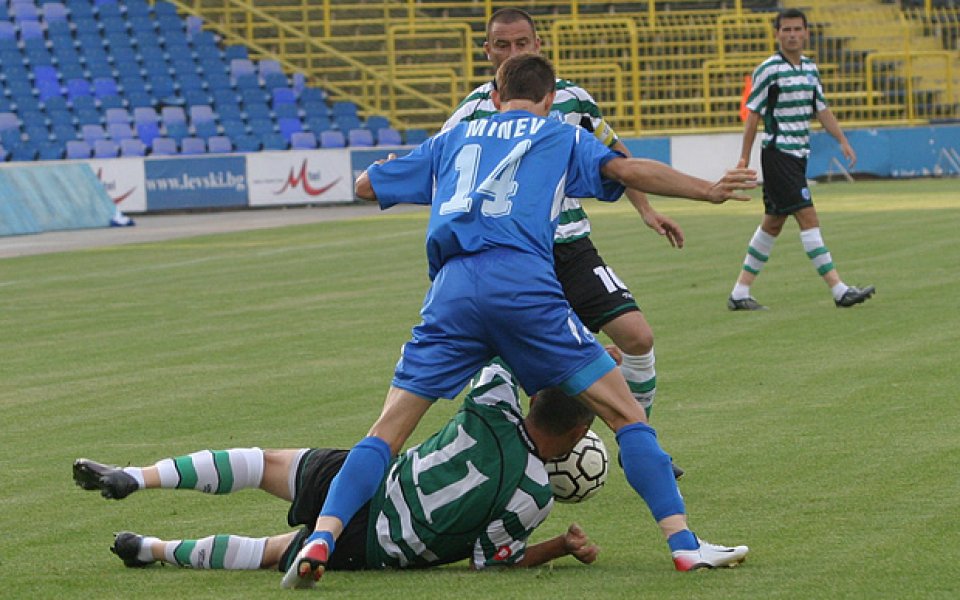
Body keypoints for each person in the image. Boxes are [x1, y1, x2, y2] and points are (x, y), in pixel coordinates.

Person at [287, 53, 755, 587]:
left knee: (386, 432)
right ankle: (685, 546)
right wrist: (708, 190)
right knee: (628, 417)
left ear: (493, 95)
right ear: (550, 98)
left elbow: (369, 186)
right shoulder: (557, 135)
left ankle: (323, 535)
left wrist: (391, 170)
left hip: (452, 292)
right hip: (523, 286)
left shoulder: (455, 137)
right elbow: (626, 170)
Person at [72, 361, 601, 581]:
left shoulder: (493, 403)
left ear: (535, 398)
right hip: (378, 546)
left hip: (367, 477)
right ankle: (149, 550)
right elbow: (492, 562)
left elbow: (506, 350)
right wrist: (559, 546)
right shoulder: (535, 495)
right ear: (578, 437)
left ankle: (136, 476)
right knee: (274, 551)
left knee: (262, 464)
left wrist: (569, 358)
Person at [444, 7, 685, 423]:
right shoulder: (471, 112)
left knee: (638, 337)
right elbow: (444, 171)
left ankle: (642, 442)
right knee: (516, 369)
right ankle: (530, 460)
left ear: (538, 46)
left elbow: (616, 156)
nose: (512, 51)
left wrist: (645, 208)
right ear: (487, 51)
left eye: (522, 43)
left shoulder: (572, 99)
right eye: (502, 45)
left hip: (571, 246)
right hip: (509, 255)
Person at [728, 8, 875, 310]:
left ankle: (740, 293)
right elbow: (753, 115)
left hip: (798, 156)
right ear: (777, 34)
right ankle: (839, 290)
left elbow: (821, 109)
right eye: (786, 29)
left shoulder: (810, 68)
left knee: (773, 224)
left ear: (806, 33)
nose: (792, 34)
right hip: (779, 154)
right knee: (808, 217)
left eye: (797, 29)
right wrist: (744, 157)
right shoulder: (768, 69)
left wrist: (843, 141)